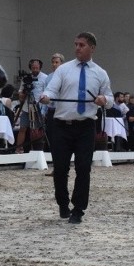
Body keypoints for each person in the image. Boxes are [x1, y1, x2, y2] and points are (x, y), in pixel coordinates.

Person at [40, 32, 113, 225]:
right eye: (76, 44)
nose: (77, 48)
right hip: (62, 126)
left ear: (92, 48)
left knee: (83, 168)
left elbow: (110, 99)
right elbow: (52, 90)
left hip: (86, 126)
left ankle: (79, 209)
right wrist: (46, 96)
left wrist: (103, 100)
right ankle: (63, 203)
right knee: (61, 168)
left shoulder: (100, 73)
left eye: (81, 45)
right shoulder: (63, 70)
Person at [14, 58, 48, 153]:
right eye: (33, 68)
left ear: (40, 67)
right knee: (23, 128)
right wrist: (22, 93)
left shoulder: (45, 78)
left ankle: (37, 150)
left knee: (36, 130)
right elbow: (20, 92)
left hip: (38, 108)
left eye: (37, 68)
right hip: (26, 107)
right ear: (30, 68)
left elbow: (46, 93)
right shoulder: (26, 78)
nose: (35, 70)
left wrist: (44, 110)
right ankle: (19, 148)